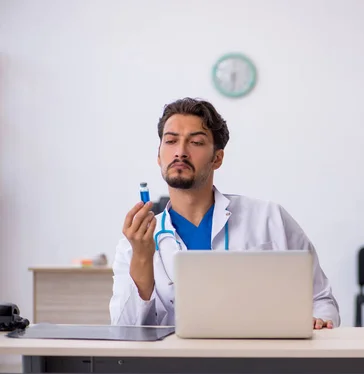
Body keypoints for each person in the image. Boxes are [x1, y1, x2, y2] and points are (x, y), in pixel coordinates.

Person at [109, 98, 340, 329]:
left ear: (217, 158)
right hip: (175, 364)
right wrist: (142, 256)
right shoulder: (133, 244)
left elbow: (320, 299)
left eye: (196, 142)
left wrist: (320, 322)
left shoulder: (269, 218)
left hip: (258, 359)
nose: (180, 152)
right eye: (170, 141)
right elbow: (124, 330)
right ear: (159, 156)